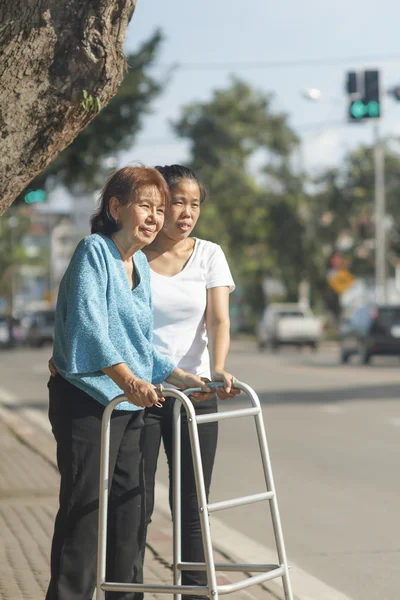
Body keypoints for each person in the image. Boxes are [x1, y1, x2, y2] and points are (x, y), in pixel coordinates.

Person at [46, 166, 210, 600]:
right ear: (116, 208)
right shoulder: (93, 252)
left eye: (161, 208)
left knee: (130, 512)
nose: (155, 217)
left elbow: (138, 341)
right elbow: (90, 328)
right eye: (146, 206)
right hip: (86, 401)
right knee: (85, 511)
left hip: (128, 403)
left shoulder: (137, 261)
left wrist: (180, 376)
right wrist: (127, 378)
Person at [141, 164, 239, 598]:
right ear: (160, 204)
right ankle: (125, 589)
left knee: (193, 505)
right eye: (178, 201)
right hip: (138, 394)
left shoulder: (209, 254)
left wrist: (217, 369)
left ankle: (196, 592)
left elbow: (218, 319)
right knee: (135, 505)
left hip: (195, 394)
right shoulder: (132, 253)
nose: (186, 212)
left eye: (194, 204)